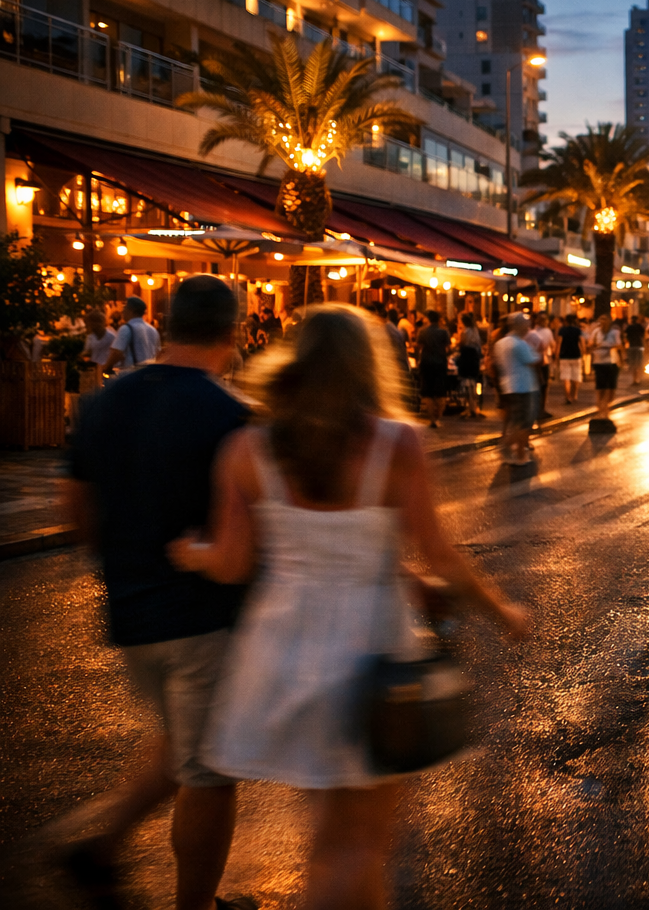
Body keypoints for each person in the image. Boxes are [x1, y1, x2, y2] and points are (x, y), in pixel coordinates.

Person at [169, 305, 530, 908]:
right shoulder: (396, 444)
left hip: (280, 652)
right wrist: (500, 611)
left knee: (335, 837)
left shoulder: (247, 449)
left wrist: (191, 552)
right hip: (371, 650)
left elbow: (231, 564)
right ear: (370, 363)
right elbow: (439, 555)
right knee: (357, 841)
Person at [63, 276, 253, 910]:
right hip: (201, 618)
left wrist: (119, 558)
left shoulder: (103, 403)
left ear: (166, 327)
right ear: (235, 332)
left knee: (178, 745)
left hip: (128, 609)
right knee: (210, 772)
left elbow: (76, 511)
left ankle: (101, 850)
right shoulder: (231, 415)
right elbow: (244, 536)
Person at [493, 313, 542, 465]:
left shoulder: (500, 343)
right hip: (524, 386)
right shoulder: (519, 344)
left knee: (517, 420)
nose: (528, 328)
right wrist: (537, 354)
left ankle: (521, 455)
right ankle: (507, 445)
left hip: (508, 386)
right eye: (526, 325)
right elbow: (533, 360)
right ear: (520, 326)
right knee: (524, 423)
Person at [103, 295, 161, 373]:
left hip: (131, 375)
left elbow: (116, 353)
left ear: (131, 310)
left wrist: (107, 368)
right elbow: (158, 354)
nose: (122, 311)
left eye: (125, 308)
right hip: (149, 375)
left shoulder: (126, 328)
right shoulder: (153, 330)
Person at [414, 310, 450, 428]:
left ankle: (432, 419)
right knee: (440, 391)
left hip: (426, 362)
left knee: (427, 391)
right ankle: (437, 416)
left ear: (428, 319)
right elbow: (448, 347)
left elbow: (419, 346)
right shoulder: (444, 332)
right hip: (440, 362)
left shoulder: (422, 331)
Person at [589, 314, 622, 421]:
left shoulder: (615, 332)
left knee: (611, 389)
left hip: (612, 362)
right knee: (600, 388)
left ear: (609, 321)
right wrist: (594, 346)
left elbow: (619, 345)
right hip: (599, 362)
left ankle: (605, 406)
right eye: (601, 319)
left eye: (605, 319)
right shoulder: (596, 332)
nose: (603, 321)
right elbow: (590, 344)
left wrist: (609, 346)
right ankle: (602, 410)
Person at [453, 313, 485, 419]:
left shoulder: (465, 332)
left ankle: (469, 408)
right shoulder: (475, 331)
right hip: (474, 358)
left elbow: (462, 344)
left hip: (466, 357)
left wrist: (456, 343)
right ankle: (473, 407)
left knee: (466, 384)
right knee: (473, 384)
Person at [82, 308, 117, 388]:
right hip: (96, 372)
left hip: (109, 371)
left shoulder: (111, 337)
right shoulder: (91, 337)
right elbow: (87, 353)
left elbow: (116, 353)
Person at [556, 313, 586, 405]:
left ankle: (567, 396)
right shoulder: (578, 330)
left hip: (564, 355)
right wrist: (583, 354)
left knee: (566, 377)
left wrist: (557, 354)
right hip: (576, 355)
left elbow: (559, 343)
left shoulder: (562, 330)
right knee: (576, 376)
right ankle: (574, 395)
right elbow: (582, 342)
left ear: (566, 321)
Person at [529, 312, 555, 418]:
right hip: (544, 361)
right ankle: (541, 409)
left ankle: (535, 409)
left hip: (534, 361)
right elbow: (551, 344)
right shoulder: (547, 331)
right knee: (544, 386)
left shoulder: (532, 331)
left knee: (537, 385)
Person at [624, 315, 646, 386]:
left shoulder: (629, 327)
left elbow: (626, 336)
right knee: (639, 363)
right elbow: (643, 335)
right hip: (639, 346)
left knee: (633, 364)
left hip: (631, 346)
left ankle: (634, 379)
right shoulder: (639, 326)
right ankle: (639, 379)